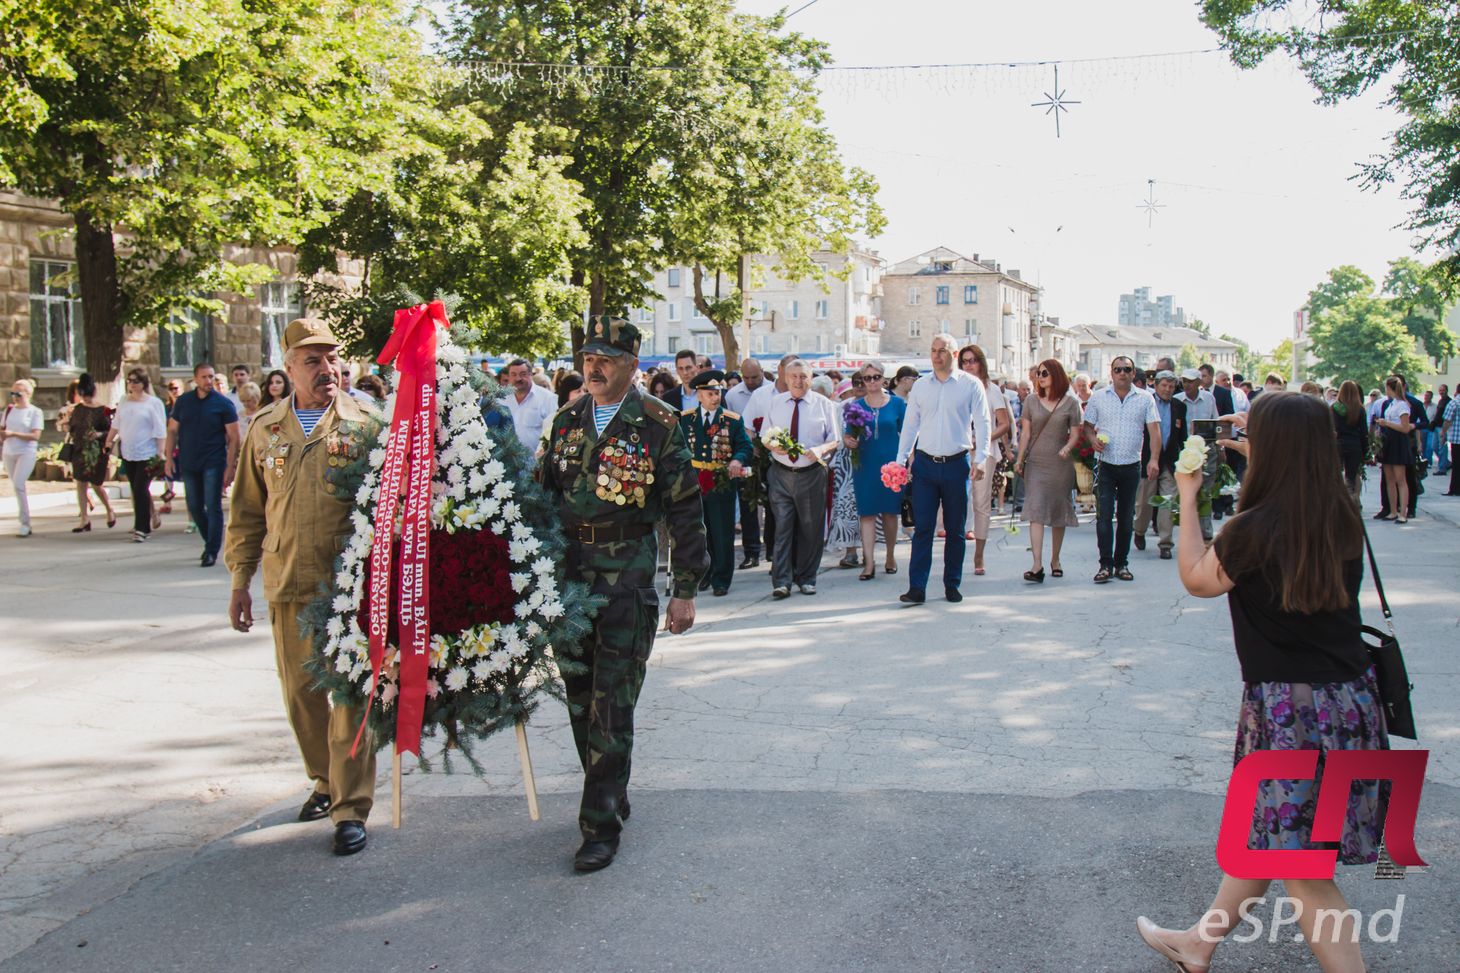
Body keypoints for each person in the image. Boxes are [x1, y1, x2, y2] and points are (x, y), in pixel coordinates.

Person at [1135, 391, 1389, 973]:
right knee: (1271, 835)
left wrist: (1191, 498)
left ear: (1272, 450)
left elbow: (1199, 580)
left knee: (1304, 869)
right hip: (1349, 703)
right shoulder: (1340, 514)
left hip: (1290, 713)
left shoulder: (1254, 529)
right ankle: (1199, 942)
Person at [538, 316, 707, 872]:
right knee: (582, 700)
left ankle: (598, 825)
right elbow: (542, 502)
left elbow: (685, 510)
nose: (594, 366)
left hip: (627, 578)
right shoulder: (564, 422)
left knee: (613, 703)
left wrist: (684, 589)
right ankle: (610, 785)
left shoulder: (658, 424)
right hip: (571, 582)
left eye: (607, 358)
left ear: (632, 365)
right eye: (589, 356)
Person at [225, 318, 381, 857]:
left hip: (348, 589)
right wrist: (240, 579)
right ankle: (325, 779)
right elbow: (246, 512)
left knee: (348, 698)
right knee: (302, 698)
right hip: (288, 580)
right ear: (288, 369)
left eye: (332, 357)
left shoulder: (365, 424)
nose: (326, 368)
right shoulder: (265, 429)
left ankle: (351, 807)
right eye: (312, 360)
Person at [895, 333, 990, 604]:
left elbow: (983, 423)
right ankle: (917, 587)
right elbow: (911, 425)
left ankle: (952, 584)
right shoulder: (921, 386)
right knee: (923, 528)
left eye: (943, 350)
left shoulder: (970, 385)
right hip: (925, 464)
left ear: (955, 354)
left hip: (957, 464)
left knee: (955, 529)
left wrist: (980, 458)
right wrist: (901, 460)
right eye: (933, 350)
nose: (937, 355)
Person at [764, 360, 841, 598]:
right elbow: (764, 436)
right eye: (794, 376)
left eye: (803, 377)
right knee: (782, 528)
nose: (798, 381)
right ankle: (782, 581)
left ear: (810, 378)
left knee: (810, 528)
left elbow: (835, 439)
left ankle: (807, 578)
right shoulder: (776, 403)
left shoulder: (824, 405)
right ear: (785, 379)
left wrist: (820, 450)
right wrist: (772, 446)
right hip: (781, 473)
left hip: (811, 474)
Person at [1082, 356, 1161, 583]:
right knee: (1104, 516)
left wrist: (1153, 459)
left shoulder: (1145, 399)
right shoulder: (1099, 397)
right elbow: (1087, 427)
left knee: (1126, 517)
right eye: (1118, 369)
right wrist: (1092, 440)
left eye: (1127, 369)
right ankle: (1105, 565)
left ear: (1133, 372)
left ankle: (1121, 564)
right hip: (1105, 463)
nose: (1122, 373)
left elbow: (1154, 431)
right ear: (1112, 373)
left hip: (1131, 464)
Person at [681, 370, 751, 596]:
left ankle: (722, 578)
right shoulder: (685, 419)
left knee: (722, 533)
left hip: (721, 482)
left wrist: (736, 459)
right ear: (699, 395)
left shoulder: (731, 420)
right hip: (695, 482)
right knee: (701, 533)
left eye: (717, 393)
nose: (715, 397)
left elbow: (745, 447)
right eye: (710, 393)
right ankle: (706, 573)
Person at [1014, 359, 1084, 581]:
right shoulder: (1031, 401)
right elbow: (1025, 433)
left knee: (1056, 512)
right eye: (1038, 373)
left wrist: (1067, 447)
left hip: (1060, 464)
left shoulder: (1071, 402)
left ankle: (1055, 558)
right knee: (1036, 510)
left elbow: (1076, 433)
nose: (1040, 377)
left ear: (1056, 375)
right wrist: (1020, 457)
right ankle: (1037, 565)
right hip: (1035, 462)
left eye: (1045, 373)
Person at [165, 362, 240, 566]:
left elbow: (234, 437)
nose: (209, 381)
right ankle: (211, 540)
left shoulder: (223, 404)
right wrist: (168, 457)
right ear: (195, 379)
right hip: (189, 461)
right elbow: (172, 430)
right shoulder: (184, 402)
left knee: (212, 504)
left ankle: (211, 551)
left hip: (213, 461)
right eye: (205, 377)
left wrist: (230, 466)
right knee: (194, 506)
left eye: (212, 377)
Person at [846, 363, 906, 579]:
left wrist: (908, 462)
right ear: (862, 380)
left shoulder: (898, 404)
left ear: (884, 379)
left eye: (876, 377)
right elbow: (847, 434)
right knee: (867, 514)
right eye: (867, 378)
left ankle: (890, 555)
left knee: (890, 512)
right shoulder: (857, 407)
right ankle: (869, 562)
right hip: (865, 464)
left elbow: (908, 434)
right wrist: (849, 441)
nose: (871, 381)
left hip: (891, 465)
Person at [957, 344, 1011, 574]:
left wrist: (982, 439)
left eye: (973, 360)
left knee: (981, 502)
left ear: (981, 363)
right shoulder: (955, 387)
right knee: (956, 502)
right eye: (965, 361)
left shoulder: (992, 390)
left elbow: (1005, 423)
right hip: (957, 451)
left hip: (983, 452)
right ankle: (956, 552)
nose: (969, 365)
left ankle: (979, 555)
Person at [105, 368, 168, 541]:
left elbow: (160, 429)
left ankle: (142, 528)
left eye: (135, 381)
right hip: (128, 451)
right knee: (136, 488)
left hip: (147, 452)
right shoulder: (124, 400)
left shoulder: (153, 403)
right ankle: (144, 520)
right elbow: (116, 423)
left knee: (141, 488)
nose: (131, 384)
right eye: (129, 381)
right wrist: (109, 441)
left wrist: (160, 453)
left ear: (143, 384)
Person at [1132, 371, 1187, 561]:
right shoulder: (1146, 402)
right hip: (1147, 459)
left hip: (1170, 461)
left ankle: (1165, 543)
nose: (1168, 389)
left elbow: (1182, 436)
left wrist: (1186, 458)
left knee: (1167, 501)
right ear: (1155, 386)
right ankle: (1139, 530)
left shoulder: (1179, 406)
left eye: (1171, 386)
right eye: (1164, 385)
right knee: (1144, 502)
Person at [725, 358, 766, 569]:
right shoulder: (732, 396)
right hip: (745, 456)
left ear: (762, 372)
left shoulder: (772, 391)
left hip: (770, 455)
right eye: (746, 377)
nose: (750, 381)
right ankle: (752, 551)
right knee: (747, 502)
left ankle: (774, 548)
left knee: (773, 502)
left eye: (754, 377)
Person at [66, 372, 118, 532]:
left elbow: (109, 431)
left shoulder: (103, 410)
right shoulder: (78, 409)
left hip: (97, 452)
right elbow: (73, 428)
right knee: (81, 484)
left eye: (88, 395)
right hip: (80, 450)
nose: (86, 399)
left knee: (96, 484)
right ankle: (84, 519)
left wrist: (98, 435)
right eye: (83, 395)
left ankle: (109, 509)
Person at [1175, 368, 1221, 542]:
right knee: (1187, 489)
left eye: (1191, 381)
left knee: (1206, 489)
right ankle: (1188, 527)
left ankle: (1205, 526)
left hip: (1206, 449)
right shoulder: (1177, 400)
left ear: (1199, 383)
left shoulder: (1209, 398)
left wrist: (1219, 447)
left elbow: (1216, 422)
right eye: (1184, 381)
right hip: (1184, 450)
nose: (1187, 384)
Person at [2, 378, 44, 537]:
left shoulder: (35, 412)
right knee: (17, 486)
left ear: (27, 393)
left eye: (18, 393)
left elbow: (36, 435)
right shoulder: (9, 410)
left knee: (19, 484)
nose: (14, 396)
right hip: (9, 451)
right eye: (12, 393)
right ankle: (25, 521)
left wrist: (13, 434)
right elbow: (3, 428)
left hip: (26, 452)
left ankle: (25, 523)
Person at [1374, 376, 1413, 524]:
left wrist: (1387, 423)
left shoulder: (1402, 405)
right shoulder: (1391, 404)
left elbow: (1405, 428)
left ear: (1389, 388)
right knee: (1389, 478)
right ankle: (1392, 510)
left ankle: (1403, 512)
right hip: (1388, 441)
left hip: (1398, 442)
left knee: (1400, 479)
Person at [502, 358, 558, 459]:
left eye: (523, 374)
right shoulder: (501, 399)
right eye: (513, 374)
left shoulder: (548, 398)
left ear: (531, 374)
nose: (518, 378)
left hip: (537, 465)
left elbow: (554, 432)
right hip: (507, 465)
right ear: (509, 377)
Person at [1333, 380, 1367, 500]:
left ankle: (1338, 502)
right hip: (1355, 445)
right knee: (1351, 478)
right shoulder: (1360, 409)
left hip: (1338, 444)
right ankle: (1352, 502)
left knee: (1336, 476)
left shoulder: (1334, 407)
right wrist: (1365, 451)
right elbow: (1364, 433)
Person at [1442, 391, 1460, 496]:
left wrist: (1443, 433)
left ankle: (1454, 489)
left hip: (1456, 440)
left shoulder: (1454, 403)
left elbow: (1447, 420)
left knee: (1456, 465)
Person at [1434, 384, 1452, 475]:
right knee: (1435, 446)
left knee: (1442, 448)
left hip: (1442, 427)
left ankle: (1442, 469)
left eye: (1443, 390)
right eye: (1440, 390)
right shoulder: (1441, 401)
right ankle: (1447, 463)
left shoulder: (1449, 402)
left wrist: (1444, 430)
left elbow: (1448, 418)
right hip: (1436, 426)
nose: (1441, 392)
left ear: (1447, 390)